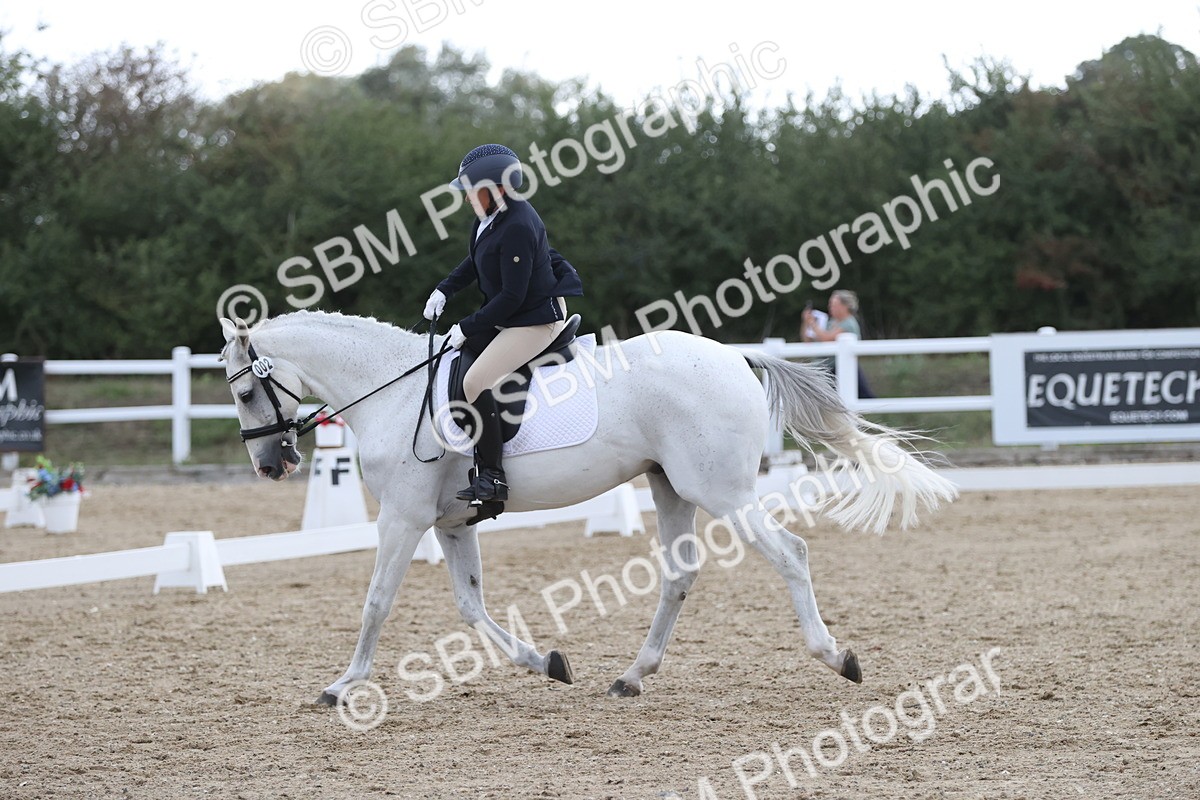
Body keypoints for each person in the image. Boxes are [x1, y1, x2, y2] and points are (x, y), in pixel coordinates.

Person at [422, 143, 584, 504]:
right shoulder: (488, 220)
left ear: (493, 189)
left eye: (470, 191)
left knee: (476, 380)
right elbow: (473, 262)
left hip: (536, 320)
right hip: (514, 313)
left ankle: (493, 478)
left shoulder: (518, 226)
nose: (465, 199)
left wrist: (467, 325)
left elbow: (512, 296)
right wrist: (444, 289)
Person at [800, 289, 876, 399]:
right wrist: (806, 323)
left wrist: (812, 323)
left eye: (834, 304)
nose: (830, 306)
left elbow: (826, 338)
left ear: (845, 306)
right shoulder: (831, 323)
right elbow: (808, 340)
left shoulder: (849, 323)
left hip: (836, 369)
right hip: (828, 368)